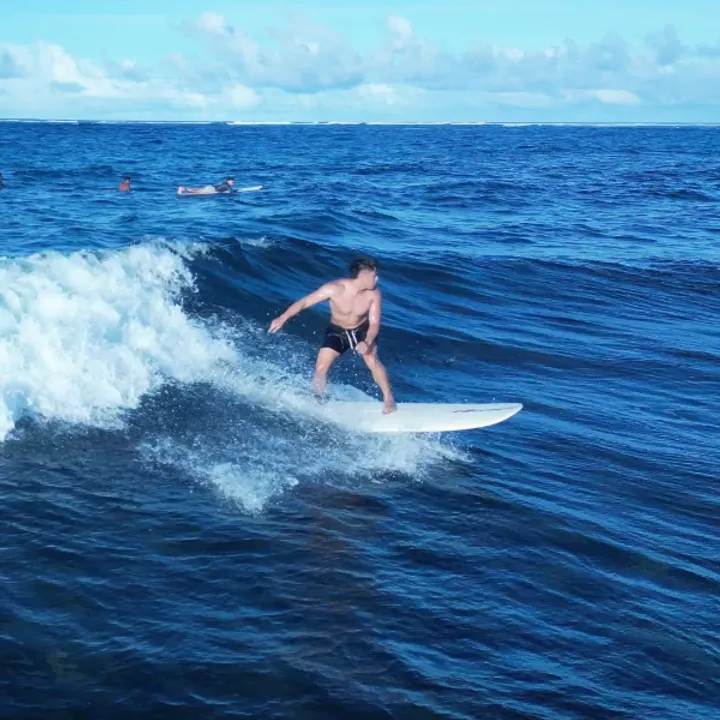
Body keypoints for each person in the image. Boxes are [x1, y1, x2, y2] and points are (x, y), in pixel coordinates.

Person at [269, 256, 396, 414]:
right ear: (363, 275)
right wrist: (283, 318)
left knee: (372, 360)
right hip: (337, 332)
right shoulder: (334, 288)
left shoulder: (374, 294)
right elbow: (305, 302)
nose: (377, 279)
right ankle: (317, 400)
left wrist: (368, 341)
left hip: (361, 331)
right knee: (321, 367)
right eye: (374, 275)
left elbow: (375, 323)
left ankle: (388, 398)